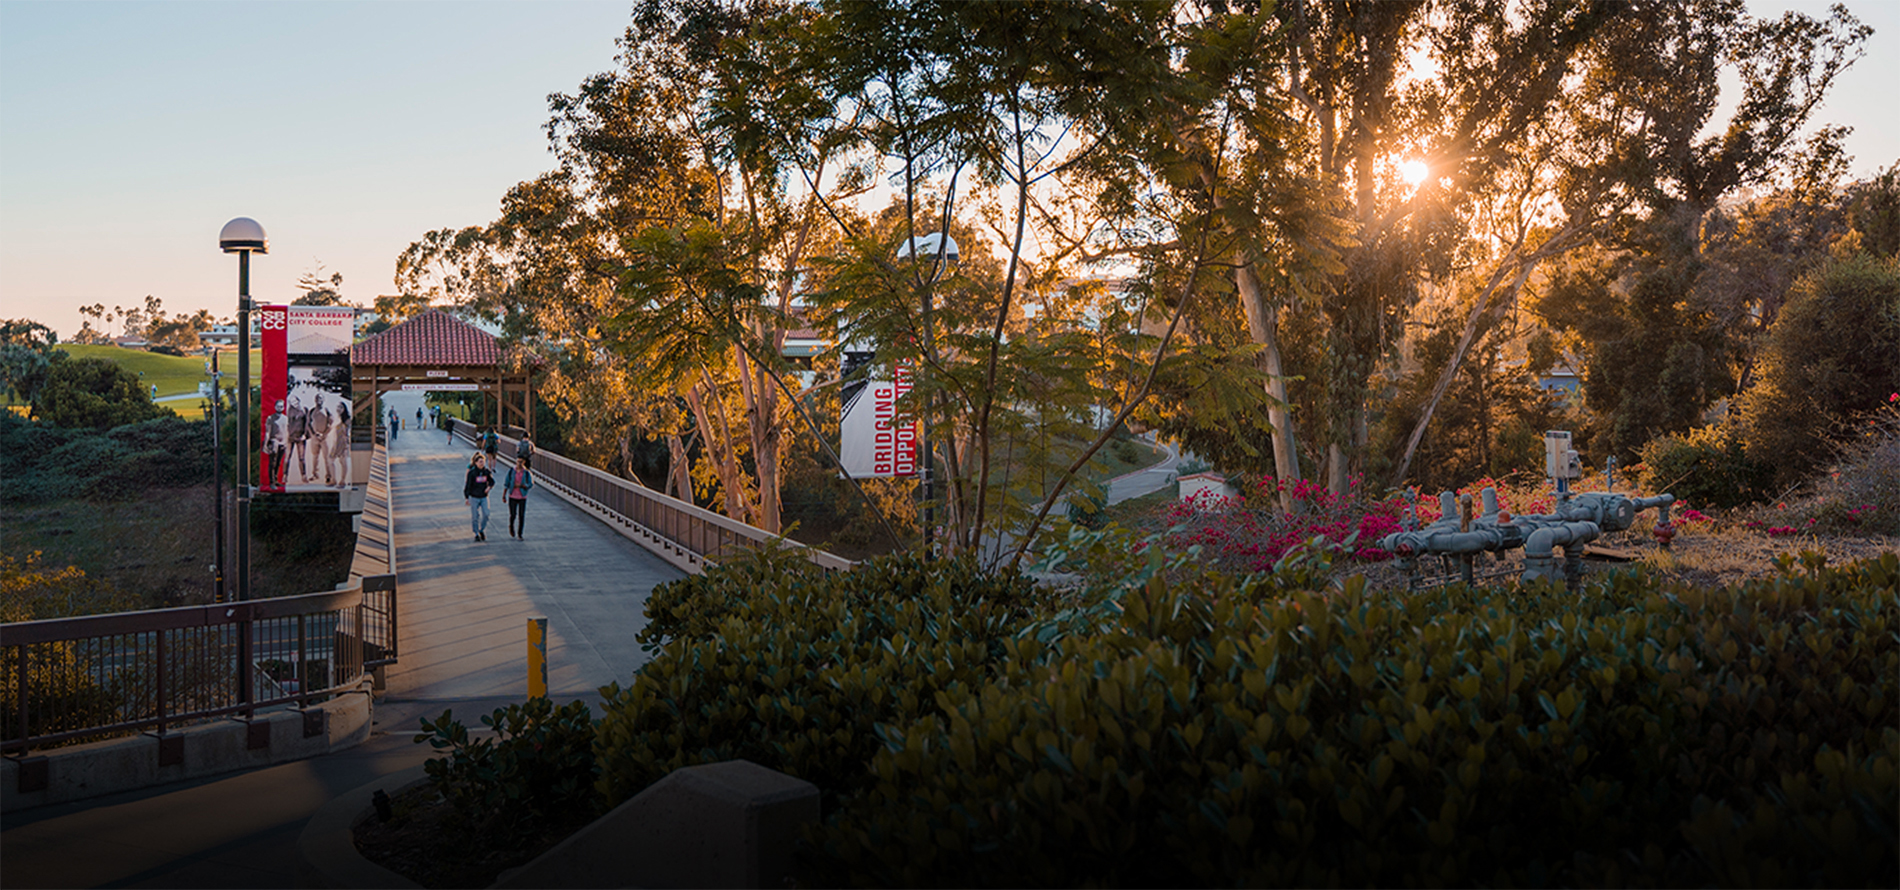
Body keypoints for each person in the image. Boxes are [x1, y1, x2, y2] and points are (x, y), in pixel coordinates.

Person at [464, 453, 495, 541]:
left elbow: (492, 481)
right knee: (475, 516)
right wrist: (467, 497)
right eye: (480, 462)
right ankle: (476, 533)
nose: (482, 463)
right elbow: (468, 485)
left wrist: (488, 488)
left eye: (483, 461)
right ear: (476, 463)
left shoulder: (486, 472)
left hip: (484, 496)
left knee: (486, 514)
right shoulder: (472, 473)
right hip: (474, 497)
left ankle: (482, 529)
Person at [503, 460, 533, 539]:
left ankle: (520, 533)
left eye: (521, 462)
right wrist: (504, 495)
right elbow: (506, 483)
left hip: (522, 496)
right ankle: (511, 526)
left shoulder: (526, 473)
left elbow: (531, 483)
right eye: (518, 462)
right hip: (512, 495)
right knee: (513, 514)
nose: (519, 464)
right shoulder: (511, 471)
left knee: (521, 515)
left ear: (523, 463)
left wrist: (524, 486)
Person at [308, 393, 333, 484]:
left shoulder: (327, 410)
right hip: (314, 438)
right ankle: (315, 474)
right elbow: (308, 424)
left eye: (320, 398)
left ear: (323, 400)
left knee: (327, 457)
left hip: (324, 438)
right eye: (317, 398)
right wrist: (313, 435)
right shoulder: (311, 411)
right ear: (315, 400)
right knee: (315, 457)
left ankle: (329, 475)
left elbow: (330, 424)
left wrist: (324, 434)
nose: (319, 399)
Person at [265, 399, 289, 488]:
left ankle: (276, 479)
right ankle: (271, 482)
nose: (280, 408)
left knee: (278, 462)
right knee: (273, 462)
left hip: (283, 443)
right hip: (274, 442)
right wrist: (265, 444)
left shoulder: (285, 418)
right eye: (278, 406)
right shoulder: (270, 418)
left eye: (281, 406)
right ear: (275, 407)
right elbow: (268, 432)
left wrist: (286, 442)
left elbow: (287, 431)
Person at [287, 395, 310, 483]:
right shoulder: (289, 410)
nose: (295, 404)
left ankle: (303, 475)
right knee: (287, 457)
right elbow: (287, 423)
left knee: (301, 458)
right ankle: (285, 475)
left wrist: (305, 434)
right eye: (293, 402)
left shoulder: (304, 410)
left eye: (296, 401)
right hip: (290, 437)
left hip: (300, 436)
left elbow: (307, 423)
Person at [331, 399, 353, 488]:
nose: (339, 409)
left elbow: (348, 432)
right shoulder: (336, 418)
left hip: (343, 442)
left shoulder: (347, 420)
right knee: (330, 460)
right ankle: (333, 479)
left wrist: (347, 442)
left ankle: (343, 480)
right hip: (335, 442)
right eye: (337, 407)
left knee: (343, 461)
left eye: (341, 407)